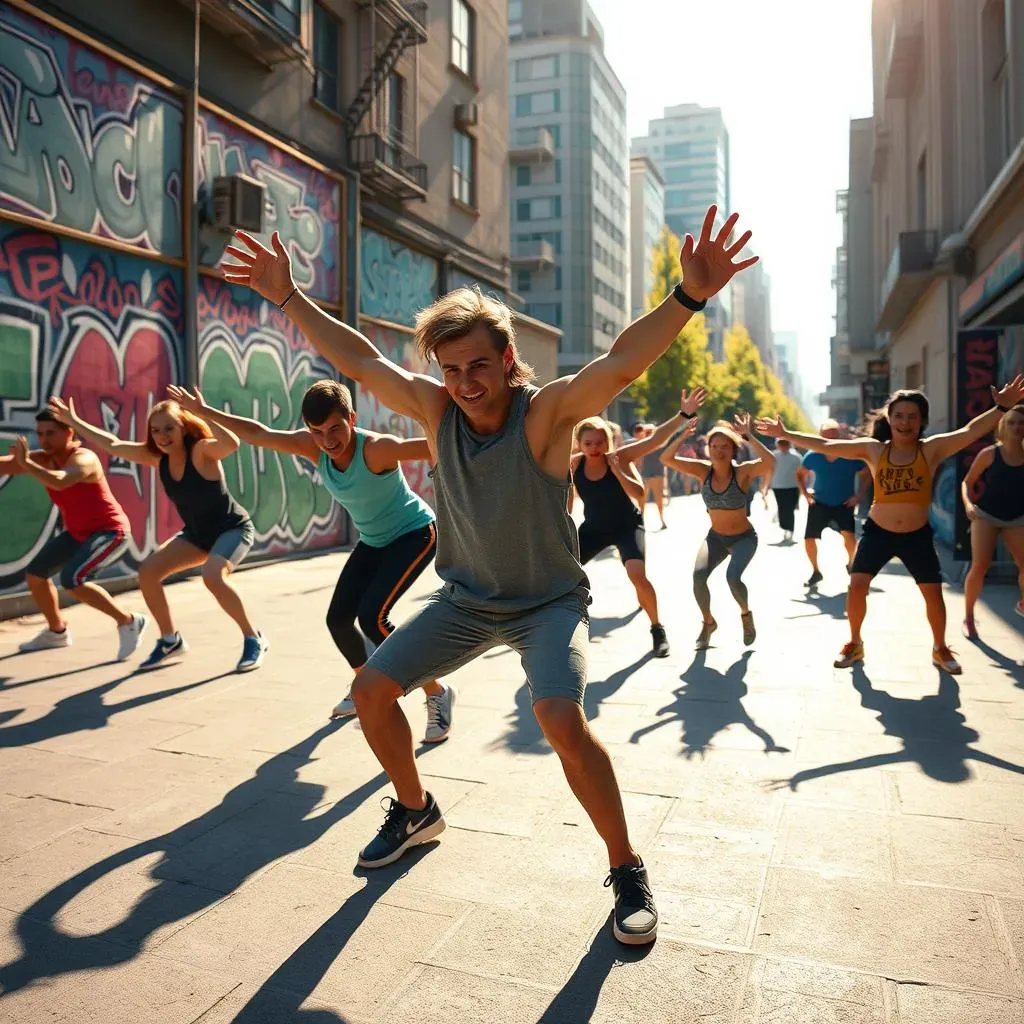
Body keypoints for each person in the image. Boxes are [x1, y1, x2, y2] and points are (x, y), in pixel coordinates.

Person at [222, 205, 757, 945]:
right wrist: (288, 296)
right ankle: (416, 810)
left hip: (547, 604)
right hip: (467, 601)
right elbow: (362, 363)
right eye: (451, 370)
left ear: (507, 360)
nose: (465, 382)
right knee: (370, 690)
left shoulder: (545, 415)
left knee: (560, 718)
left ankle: (626, 866)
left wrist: (688, 296)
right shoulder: (435, 411)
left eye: (478, 366)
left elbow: (619, 365)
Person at [165, 381, 456, 743]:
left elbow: (438, 444)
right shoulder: (311, 447)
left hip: (414, 533)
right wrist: (203, 412)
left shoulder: (376, 449)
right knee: (338, 620)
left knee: (373, 618)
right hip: (374, 540)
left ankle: (437, 691)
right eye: (317, 431)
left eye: (335, 428)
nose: (328, 440)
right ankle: (364, 685)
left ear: (352, 418)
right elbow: (258, 434)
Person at [756, 375, 1024, 674]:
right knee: (857, 585)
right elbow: (826, 443)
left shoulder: (931, 449)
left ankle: (940, 647)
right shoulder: (874, 450)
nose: (905, 422)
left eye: (912, 416)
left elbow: (970, 431)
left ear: (922, 421)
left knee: (933, 592)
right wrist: (786, 433)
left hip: (916, 535)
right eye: (899, 415)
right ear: (889, 418)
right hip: (878, 533)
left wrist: (1001, 408)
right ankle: (854, 643)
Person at [47, 394, 268, 673]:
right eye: (156, 430)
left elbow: (231, 444)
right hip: (197, 536)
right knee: (148, 573)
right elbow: (113, 444)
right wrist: (75, 421)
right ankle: (170, 640)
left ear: (183, 428)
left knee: (212, 575)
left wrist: (204, 411)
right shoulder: (157, 458)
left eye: (169, 428)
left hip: (232, 528)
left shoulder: (201, 451)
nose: (162, 436)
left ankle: (253, 637)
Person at [1, 411, 147, 659]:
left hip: (110, 532)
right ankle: (57, 631)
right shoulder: (43, 459)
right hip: (78, 534)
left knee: (73, 579)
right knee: (36, 575)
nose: (44, 440)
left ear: (69, 433)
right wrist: (25, 462)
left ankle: (129, 620)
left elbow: (61, 481)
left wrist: (27, 464)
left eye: (51, 433)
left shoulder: (84, 458)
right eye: (40, 434)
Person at [569, 406, 700, 658]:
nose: (595, 448)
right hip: (594, 528)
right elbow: (567, 504)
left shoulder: (620, 457)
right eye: (588, 443)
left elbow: (654, 445)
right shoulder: (574, 464)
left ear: (609, 441)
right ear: (579, 444)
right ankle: (576, 599)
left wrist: (683, 415)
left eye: (600, 442)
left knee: (637, 576)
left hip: (627, 526)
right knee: (562, 567)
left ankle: (657, 629)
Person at [659, 414, 774, 649]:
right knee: (698, 577)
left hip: (743, 538)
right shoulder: (703, 471)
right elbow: (666, 458)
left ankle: (746, 615)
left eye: (724, 446)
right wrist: (683, 435)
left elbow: (770, 461)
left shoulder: (742, 472)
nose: (718, 451)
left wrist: (749, 436)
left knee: (733, 578)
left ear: (733, 450)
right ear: (708, 448)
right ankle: (708, 623)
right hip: (715, 538)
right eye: (714, 446)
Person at [961, 401, 1024, 636]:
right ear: (1004, 425)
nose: (1017, 427)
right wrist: (968, 505)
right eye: (1012, 422)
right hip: (986, 515)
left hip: (1016, 517)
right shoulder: (990, 453)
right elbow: (967, 482)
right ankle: (969, 617)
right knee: (980, 565)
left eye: (1021, 423)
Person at [795, 420, 868, 586]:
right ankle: (816, 572)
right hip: (819, 502)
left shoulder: (850, 455)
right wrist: (805, 494)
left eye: (833, 437)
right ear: (820, 437)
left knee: (849, 536)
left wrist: (858, 496)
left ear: (839, 437)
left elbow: (866, 474)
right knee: (809, 538)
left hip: (844, 503)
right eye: (826, 438)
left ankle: (851, 564)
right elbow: (799, 475)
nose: (829, 441)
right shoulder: (812, 456)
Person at [628, 422, 669, 529]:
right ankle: (641, 520)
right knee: (642, 499)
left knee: (658, 499)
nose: (647, 433)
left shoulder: (658, 442)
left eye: (649, 431)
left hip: (657, 473)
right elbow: (637, 460)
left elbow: (665, 441)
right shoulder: (642, 444)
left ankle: (662, 520)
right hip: (645, 474)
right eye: (646, 432)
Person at [768, 438, 802, 542]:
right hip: (778, 486)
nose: (783, 447)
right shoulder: (773, 455)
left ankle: (790, 530)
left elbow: (801, 473)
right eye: (781, 444)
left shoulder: (796, 457)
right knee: (782, 508)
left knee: (790, 509)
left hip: (793, 486)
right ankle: (784, 529)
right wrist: (767, 483)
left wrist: (802, 487)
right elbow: (770, 469)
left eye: (785, 444)